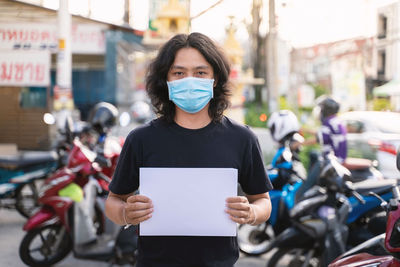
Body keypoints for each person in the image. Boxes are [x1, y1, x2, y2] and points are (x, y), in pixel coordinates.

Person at [104, 32, 273, 267]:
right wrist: (126, 213)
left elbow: (263, 201)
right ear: (167, 80)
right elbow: (113, 201)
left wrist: (251, 213)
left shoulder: (242, 139)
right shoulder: (141, 139)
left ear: (215, 80)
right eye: (179, 72)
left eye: (200, 72)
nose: (189, 80)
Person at [303, 96, 347, 163]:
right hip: (340, 157)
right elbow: (321, 133)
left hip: (334, 160)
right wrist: (304, 130)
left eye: (321, 109)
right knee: (314, 154)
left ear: (326, 110)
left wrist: (298, 144)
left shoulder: (328, 122)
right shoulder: (335, 121)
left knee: (314, 168)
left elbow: (318, 139)